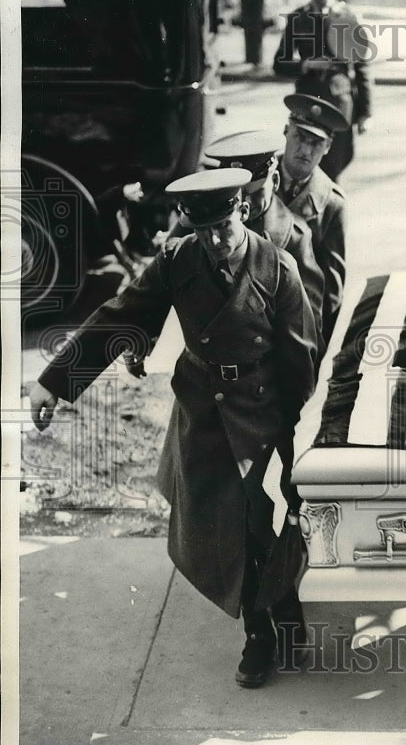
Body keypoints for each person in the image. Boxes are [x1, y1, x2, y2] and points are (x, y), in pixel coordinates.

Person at [29, 169, 319, 689]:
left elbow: (300, 362)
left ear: (244, 212)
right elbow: (122, 314)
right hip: (203, 412)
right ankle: (260, 632)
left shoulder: (279, 269)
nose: (214, 240)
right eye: (202, 228)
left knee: (265, 521)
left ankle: (286, 605)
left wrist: (294, 436)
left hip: (262, 413)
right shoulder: (177, 260)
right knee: (232, 526)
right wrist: (55, 380)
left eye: (223, 226)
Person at [203, 130, 326, 354]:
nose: (246, 204)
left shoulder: (295, 239)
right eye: (237, 196)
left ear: (275, 181)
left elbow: (308, 327)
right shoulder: (205, 222)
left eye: (254, 193)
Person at [272, 0, 373, 182]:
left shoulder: (347, 16)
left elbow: (362, 67)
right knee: (302, 166)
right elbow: (279, 63)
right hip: (307, 102)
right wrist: (306, 64)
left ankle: (327, 214)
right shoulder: (298, 18)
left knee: (333, 169)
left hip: (339, 104)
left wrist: (366, 112)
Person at [276, 93, 349, 347]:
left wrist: (316, 350)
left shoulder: (332, 204)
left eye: (316, 143)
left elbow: (330, 291)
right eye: (299, 137)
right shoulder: (254, 179)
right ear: (286, 131)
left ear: (328, 147)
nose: (305, 150)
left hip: (293, 331)